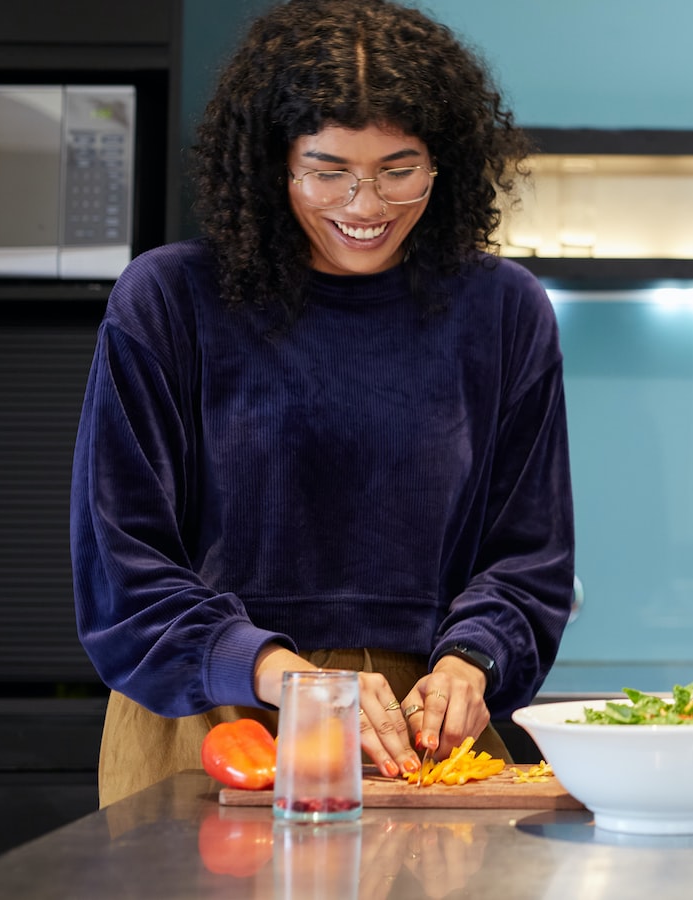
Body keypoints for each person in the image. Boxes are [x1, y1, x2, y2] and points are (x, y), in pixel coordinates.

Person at [70, 0, 574, 806]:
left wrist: (469, 661)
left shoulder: (504, 312)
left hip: (422, 731)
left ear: (445, 163)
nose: (366, 205)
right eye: (329, 170)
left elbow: (529, 561)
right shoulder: (168, 300)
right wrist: (282, 674)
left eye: (398, 169)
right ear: (274, 165)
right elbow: (121, 569)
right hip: (211, 716)